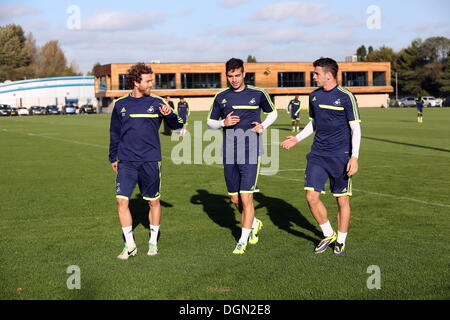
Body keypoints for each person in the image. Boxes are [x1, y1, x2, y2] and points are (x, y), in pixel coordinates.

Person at [280, 57, 361, 256]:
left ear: (328, 75)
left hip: (340, 156)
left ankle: (341, 240)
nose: (313, 76)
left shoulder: (346, 97)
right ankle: (328, 233)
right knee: (311, 196)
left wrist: (354, 157)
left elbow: (356, 129)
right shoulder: (314, 96)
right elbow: (314, 123)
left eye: (316, 73)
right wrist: (297, 138)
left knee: (341, 200)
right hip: (317, 154)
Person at [109, 63, 184, 260]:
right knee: (121, 201)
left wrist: (171, 116)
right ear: (136, 82)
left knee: (153, 201)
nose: (152, 84)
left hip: (150, 160)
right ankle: (130, 244)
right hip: (126, 161)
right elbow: (115, 133)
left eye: (152, 80)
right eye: (148, 81)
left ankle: (153, 242)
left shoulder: (158, 103)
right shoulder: (120, 105)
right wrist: (112, 157)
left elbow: (178, 125)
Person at [207, 58, 278, 254]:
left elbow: (273, 113)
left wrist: (263, 125)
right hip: (229, 152)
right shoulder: (221, 96)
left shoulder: (258, 93)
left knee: (246, 197)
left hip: (251, 151)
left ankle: (242, 240)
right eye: (230, 76)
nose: (234, 79)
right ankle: (254, 223)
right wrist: (223, 123)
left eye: (237, 75)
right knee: (235, 200)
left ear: (244, 74)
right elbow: (210, 122)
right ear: (226, 76)